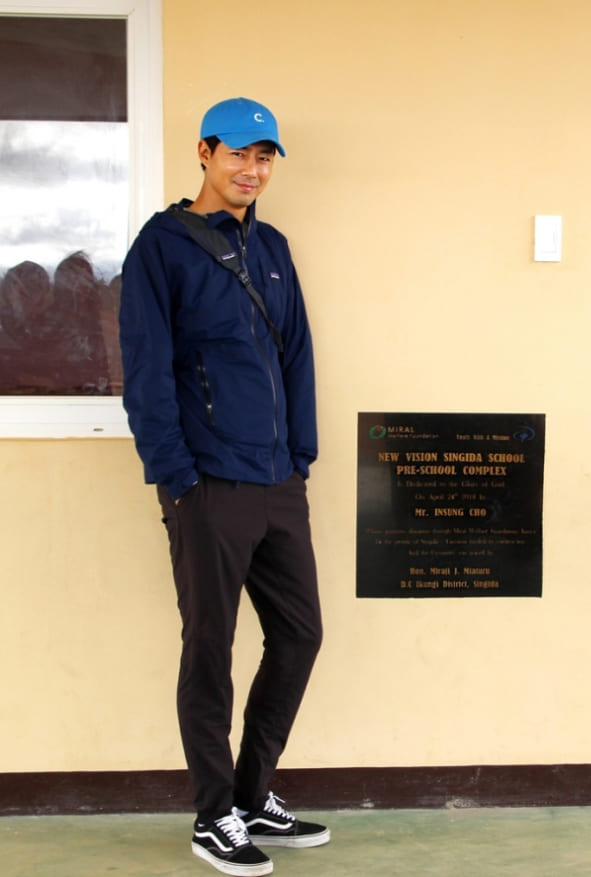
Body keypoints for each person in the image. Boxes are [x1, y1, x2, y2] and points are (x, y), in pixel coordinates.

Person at [119, 97, 328, 877]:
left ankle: (251, 793)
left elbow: (296, 355)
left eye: (264, 156)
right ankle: (214, 816)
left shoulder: (272, 248)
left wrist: (299, 456)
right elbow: (146, 371)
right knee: (210, 647)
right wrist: (176, 476)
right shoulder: (162, 247)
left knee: (299, 633)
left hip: (277, 481)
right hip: (207, 482)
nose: (252, 169)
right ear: (205, 152)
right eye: (239, 153)